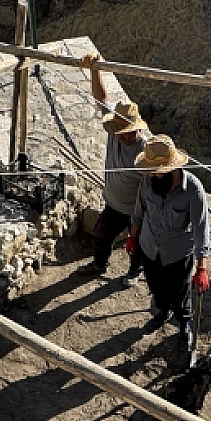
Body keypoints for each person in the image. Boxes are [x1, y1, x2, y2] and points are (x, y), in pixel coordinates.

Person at [127, 134, 211, 352]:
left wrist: (201, 267)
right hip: (149, 247)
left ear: (171, 168)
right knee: (155, 286)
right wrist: (133, 236)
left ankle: (184, 323)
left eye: (157, 170)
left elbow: (201, 227)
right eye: (150, 170)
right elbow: (139, 210)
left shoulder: (193, 189)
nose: (152, 174)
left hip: (177, 253)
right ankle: (162, 312)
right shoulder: (148, 180)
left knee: (179, 292)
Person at [78, 51, 148, 283]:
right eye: (118, 132)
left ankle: (134, 272)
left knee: (136, 243)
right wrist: (95, 68)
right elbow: (101, 98)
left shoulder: (146, 150)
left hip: (136, 209)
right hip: (113, 203)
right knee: (101, 234)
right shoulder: (115, 128)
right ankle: (99, 264)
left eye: (126, 134)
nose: (120, 137)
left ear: (137, 129)